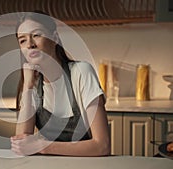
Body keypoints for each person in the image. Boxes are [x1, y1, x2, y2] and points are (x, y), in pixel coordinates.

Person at [10, 11, 110, 157]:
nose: (30, 44)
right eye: (22, 40)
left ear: (55, 37)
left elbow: (102, 146)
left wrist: (43, 146)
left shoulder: (81, 72)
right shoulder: (31, 83)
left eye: (36, 35)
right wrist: (27, 86)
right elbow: (22, 144)